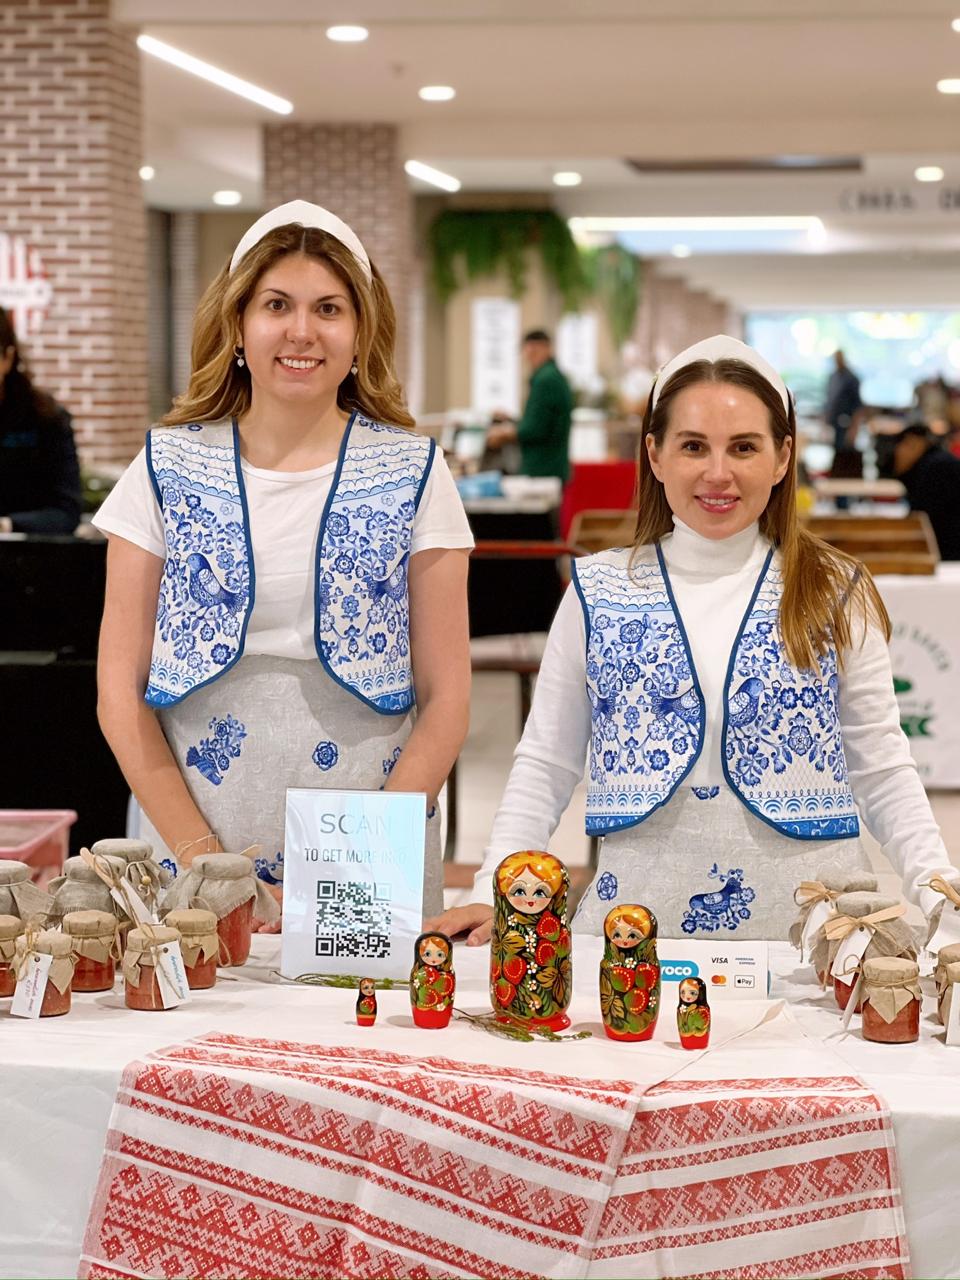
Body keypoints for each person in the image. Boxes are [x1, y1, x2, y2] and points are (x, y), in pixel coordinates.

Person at [429, 335, 955, 946]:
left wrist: (939, 889)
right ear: (654, 455)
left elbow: (882, 767)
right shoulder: (598, 590)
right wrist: (494, 882)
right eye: (693, 446)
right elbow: (547, 760)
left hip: (820, 944)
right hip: (635, 943)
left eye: (744, 447)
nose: (718, 473)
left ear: (783, 457)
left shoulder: (835, 590)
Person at [94, 200, 473, 924]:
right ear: (238, 324)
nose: (302, 331)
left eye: (328, 308)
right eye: (277, 305)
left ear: (360, 332)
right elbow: (119, 691)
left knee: (358, 1003)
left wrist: (360, 863)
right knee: (196, 999)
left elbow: (448, 699)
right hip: (189, 831)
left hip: (371, 825)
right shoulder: (164, 467)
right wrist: (206, 862)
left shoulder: (416, 472)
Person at [0, 306, 81, 534]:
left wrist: (8, 524)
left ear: (8, 357)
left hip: (26, 548)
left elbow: (66, 512)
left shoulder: (46, 418)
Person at [486, 329, 574, 482]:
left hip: (543, 468)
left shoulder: (545, 379)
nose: (530, 356)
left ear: (547, 348)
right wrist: (511, 420)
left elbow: (535, 428)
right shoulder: (553, 375)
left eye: (534, 351)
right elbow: (540, 420)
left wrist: (503, 433)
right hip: (552, 466)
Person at [890, 424, 960, 560]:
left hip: (949, 559)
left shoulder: (936, 468)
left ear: (915, 443)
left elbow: (920, 520)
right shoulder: (935, 463)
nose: (897, 453)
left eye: (903, 445)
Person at [824, 349, 862, 456]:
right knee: (835, 452)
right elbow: (829, 400)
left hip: (847, 423)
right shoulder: (833, 377)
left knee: (845, 453)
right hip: (833, 422)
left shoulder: (852, 379)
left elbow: (858, 406)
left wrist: (854, 428)